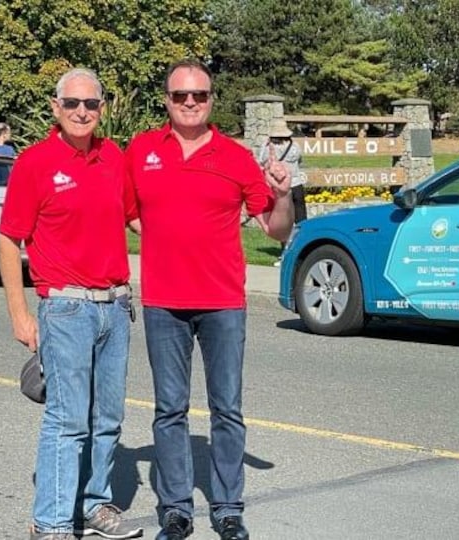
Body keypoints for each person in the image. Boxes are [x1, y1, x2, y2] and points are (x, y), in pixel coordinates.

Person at [123, 58, 293, 540]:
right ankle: (175, 509)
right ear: (167, 101)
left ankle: (227, 508)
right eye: (181, 96)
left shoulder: (236, 157)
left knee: (227, 410)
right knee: (169, 410)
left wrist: (282, 195)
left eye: (199, 95)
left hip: (222, 303)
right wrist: (165, 242)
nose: (190, 102)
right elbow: (126, 214)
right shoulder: (141, 152)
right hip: (163, 303)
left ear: (212, 99)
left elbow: (277, 230)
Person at [0, 67, 142, 540]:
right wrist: (19, 314)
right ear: (56, 109)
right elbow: (8, 239)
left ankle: (95, 504)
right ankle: (53, 522)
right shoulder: (35, 163)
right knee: (67, 418)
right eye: (73, 104)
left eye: (92, 104)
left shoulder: (113, 158)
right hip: (66, 308)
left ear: (102, 109)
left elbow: (137, 219)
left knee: (108, 417)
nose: (83, 112)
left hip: (115, 307)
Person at [258, 119, 306, 267]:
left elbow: (261, 161)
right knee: (301, 221)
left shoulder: (269, 147)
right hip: (297, 185)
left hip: (280, 189)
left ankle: (285, 253)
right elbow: (300, 161)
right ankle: (302, 252)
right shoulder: (295, 146)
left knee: (284, 224)